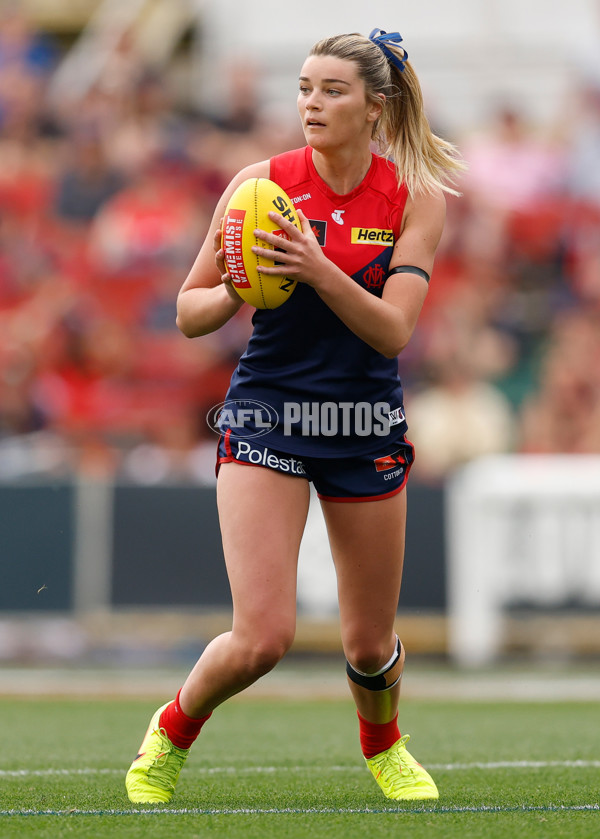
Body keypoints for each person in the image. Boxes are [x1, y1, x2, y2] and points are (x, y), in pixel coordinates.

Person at [125, 27, 464, 804]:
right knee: (264, 637)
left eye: (332, 90)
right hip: (267, 414)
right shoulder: (258, 185)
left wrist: (317, 269)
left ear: (375, 108)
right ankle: (170, 733)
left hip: (363, 424)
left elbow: (394, 329)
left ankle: (383, 743)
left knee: (370, 645)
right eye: (305, 88)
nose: (312, 103)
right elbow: (187, 311)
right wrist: (240, 289)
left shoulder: (414, 198)